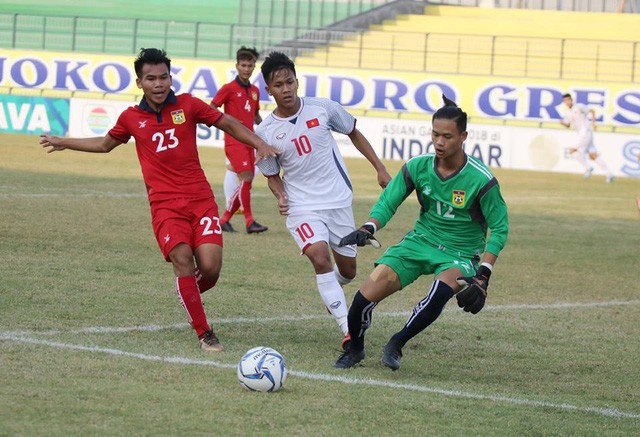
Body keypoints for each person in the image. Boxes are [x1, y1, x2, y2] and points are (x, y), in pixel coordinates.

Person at [40, 48, 277, 352]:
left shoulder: (189, 105)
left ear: (170, 77)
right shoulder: (131, 118)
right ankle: (205, 333)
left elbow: (227, 123)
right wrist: (64, 142)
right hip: (165, 206)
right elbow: (103, 144)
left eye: (163, 76)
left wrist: (259, 143)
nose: (158, 83)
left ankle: (186, 291)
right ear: (139, 82)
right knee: (182, 258)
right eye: (150, 78)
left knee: (211, 268)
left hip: (200, 200)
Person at [334, 95, 509, 370]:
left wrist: (484, 273)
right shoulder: (418, 166)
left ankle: (397, 343)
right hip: (420, 241)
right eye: (435, 134)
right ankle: (355, 348)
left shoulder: (482, 179)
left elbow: (499, 228)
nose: (439, 142)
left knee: (440, 291)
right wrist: (369, 226)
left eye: (447, 136)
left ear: (463, 136)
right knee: (362, 299)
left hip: (460, 253)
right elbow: (389, 199)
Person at [255, 51, 392, 344]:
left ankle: (331, 288)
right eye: (278, 85)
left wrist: (379, 168)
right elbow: (270, 173)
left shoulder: (322, 108)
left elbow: (354, 131)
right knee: (319, 258)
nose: (286, 89)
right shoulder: (265, 132)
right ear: (269, 90)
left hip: (338, 201)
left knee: (348, 271)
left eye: (289, 81)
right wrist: (280, 195)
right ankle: (348, 329)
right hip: (302, 206)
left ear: (297, 81)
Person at [211, 46, 268, 234]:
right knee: (246, 177)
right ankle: (250, 222)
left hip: (249, 141)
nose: (246, 68)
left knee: (247, 180)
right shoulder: (228, 89)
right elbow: (212, 108)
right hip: (234, 140)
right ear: (237, 66)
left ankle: (224, 220)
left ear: (254, 67)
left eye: (249, 65)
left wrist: (270, 128)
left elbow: (256, 116)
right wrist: (227, 122)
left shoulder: (254, 91)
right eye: (243, 65)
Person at [561, 93, 614, 183]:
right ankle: (609, 174)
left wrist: (593, 123)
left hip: (585, 132)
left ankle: (588, 168)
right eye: (565, 101)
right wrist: (562, 123)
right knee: (593, 155)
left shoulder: (579, 107)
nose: (567, 102)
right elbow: (568, 125)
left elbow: (592, 111)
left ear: (571, 100)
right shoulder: (567, 113)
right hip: (581, 133)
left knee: (573, 151)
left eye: (568, 100)